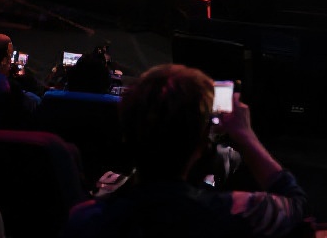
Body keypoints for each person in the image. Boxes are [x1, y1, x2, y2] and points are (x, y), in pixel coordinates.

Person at [62, 63, 309, 238]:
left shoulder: (85, 219)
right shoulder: (233, 212)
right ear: (203, 146)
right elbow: (295, 205)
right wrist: (245, 135)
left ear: (126, 134)